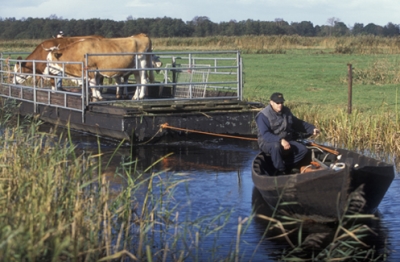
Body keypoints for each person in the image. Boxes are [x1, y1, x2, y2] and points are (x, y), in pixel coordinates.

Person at [255, 92, 319, 175]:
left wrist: (311, 129)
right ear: (271, 102)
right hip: (267, 142)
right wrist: (280, 140)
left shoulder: (286, 111)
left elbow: (297, 123)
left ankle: (287, 165)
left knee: (303, 150)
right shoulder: (263, 116)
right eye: (277, 103)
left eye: (281, 102)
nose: (280, 105)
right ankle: (280, 171)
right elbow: (266, 134)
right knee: (276, 146)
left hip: (287, 140)